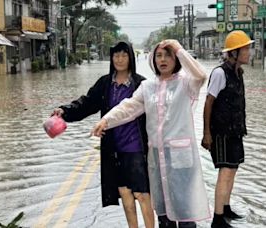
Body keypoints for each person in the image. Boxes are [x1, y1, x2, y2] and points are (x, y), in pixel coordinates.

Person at [92, 39, 210, 228]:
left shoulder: (186, 84)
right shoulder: (148, 87)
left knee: (185, 210)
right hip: (156, 155)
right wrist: (106, 120)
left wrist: (178, 48)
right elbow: (128, 107)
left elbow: (201, 75)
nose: (162, 60)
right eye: (159, 56)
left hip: (180, 156)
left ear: (176, 59)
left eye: (168, 55)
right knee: (163, 212)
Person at [52, 41, 155, 228]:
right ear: (111, 58)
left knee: (142, 193)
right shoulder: (105, 84)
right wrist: (65, 111)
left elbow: (157, 114)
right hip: (113, 148)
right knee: (124, 192)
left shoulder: (142, 84)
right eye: (116, 55)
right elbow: (87, 103)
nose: (120, 59)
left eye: (124, 55)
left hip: (136, 147)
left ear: (131, 57)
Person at [201, 30, 253, 228]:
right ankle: (218, 218)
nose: (249, 52)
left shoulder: (238, 72)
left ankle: (226, 207)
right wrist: (207, 133)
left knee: (233, 169)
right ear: (233, 53)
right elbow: (208, 102)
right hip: (221, 132)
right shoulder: (220, 73)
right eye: (246, 49)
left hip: (235, 130)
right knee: (225, 171)